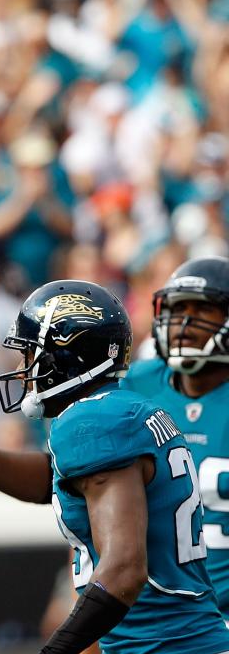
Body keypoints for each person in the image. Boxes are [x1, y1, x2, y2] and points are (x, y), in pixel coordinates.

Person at [0, 279, 229, 654]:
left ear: (66, 353)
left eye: (31, 351)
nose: (23, 365)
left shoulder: (91, 421)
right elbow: (55, 485)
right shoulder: (117, 409)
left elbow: (124, 568)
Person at [121, 256, 229, 616]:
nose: (183, 321)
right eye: (176, 308)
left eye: (201, 309)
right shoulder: (138, 383)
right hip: (160, 611)